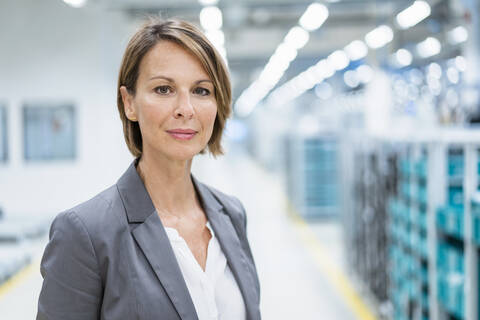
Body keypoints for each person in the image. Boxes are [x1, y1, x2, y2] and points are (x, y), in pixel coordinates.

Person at [36, 18, 261, 320]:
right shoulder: (85, 234)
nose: (186, 108)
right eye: (164, 89)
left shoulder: (231, 215)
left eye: (202, 91)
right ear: (129, 102)